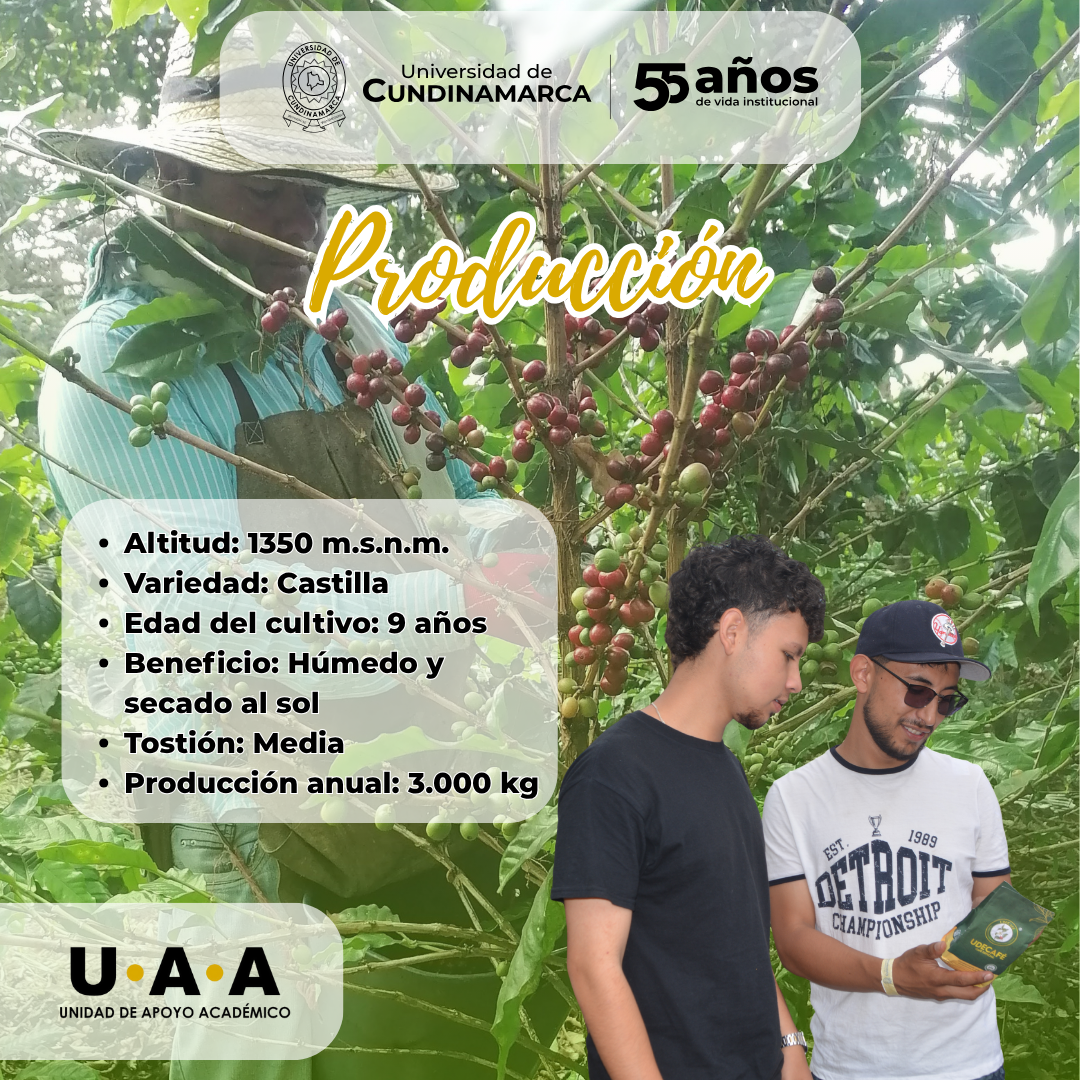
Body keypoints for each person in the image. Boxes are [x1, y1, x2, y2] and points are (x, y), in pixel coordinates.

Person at [35, 24, 552, 1080]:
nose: (306, 224)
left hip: (425, 756)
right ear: (175, 179)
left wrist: (517, 540)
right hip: (252, 800)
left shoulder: (353, 332)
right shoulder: (112, 367)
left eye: (315, 192)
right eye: (269, 193)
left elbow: (450, 493)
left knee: (445, 1035)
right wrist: (458, 593)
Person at [552, 534, 827, 1080]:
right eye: (787, 655)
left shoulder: (724, 767)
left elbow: (735, 938)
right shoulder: (613, 774)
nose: (795, 682)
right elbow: (593, 967)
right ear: (732, 631)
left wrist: (790, 1044)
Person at [764, 600, 1009, 1080]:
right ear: (863, 674)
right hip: (851, 1067)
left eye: (947, 699)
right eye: (918, 691)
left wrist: (993, 944)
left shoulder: (970, 784)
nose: (930, 715)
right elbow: (793, 940)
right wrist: (893, 975)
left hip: (970, 1065)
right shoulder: (794, 798)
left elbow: (993, 902)